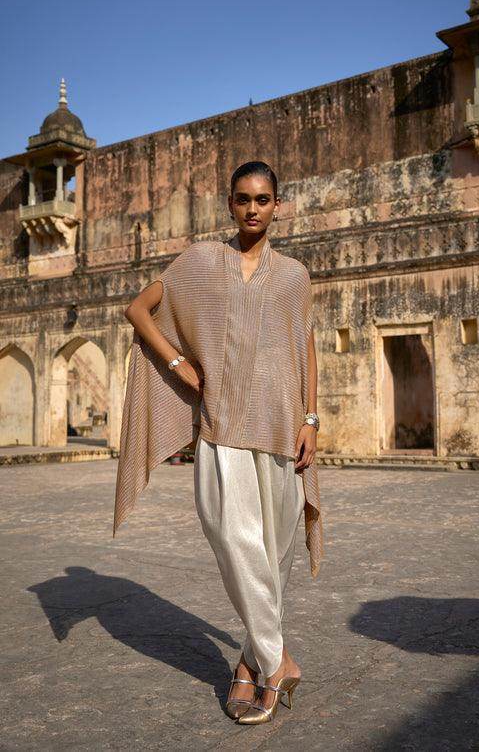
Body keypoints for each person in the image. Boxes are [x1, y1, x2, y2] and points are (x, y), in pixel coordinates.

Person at [113, 161, 323, 725]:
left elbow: (305, 348)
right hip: (222, 426)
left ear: (278, 205)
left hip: (281, 429)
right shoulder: (202, 263)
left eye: (263, 199)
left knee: (271, 555)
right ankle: (281, 663)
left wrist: (310, 418)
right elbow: (139, 309)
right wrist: (177, 361)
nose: (252, 208)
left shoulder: (294, 276)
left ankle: (250, 666)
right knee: (232, 539)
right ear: (229, 204)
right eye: (242, 199)